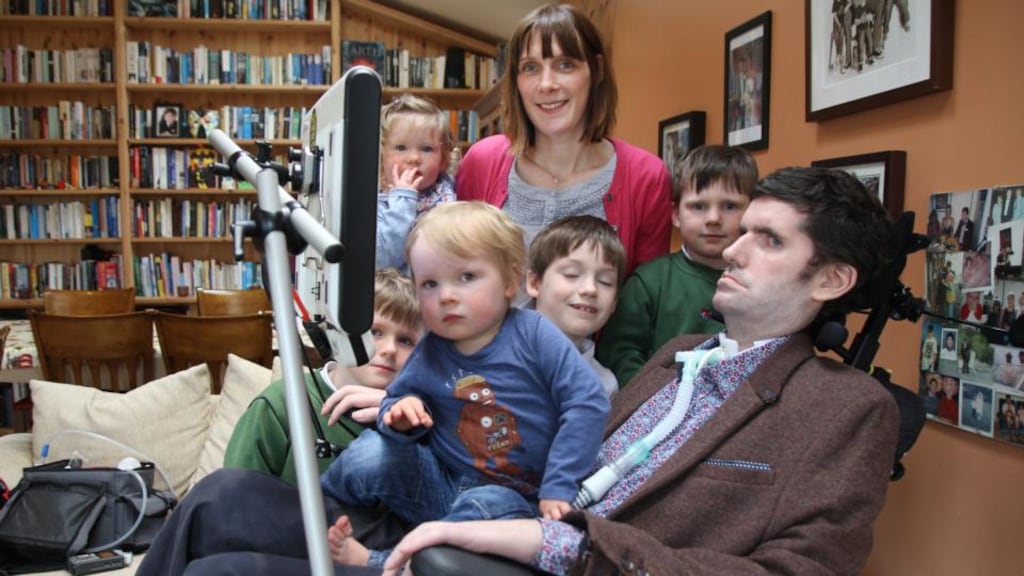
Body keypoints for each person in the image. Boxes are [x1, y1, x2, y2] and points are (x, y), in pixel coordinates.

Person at [375, 166, 902, 576]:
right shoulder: (678, 355)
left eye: (770, 240)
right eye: (743, 232)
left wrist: (564, 546)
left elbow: (799, 571)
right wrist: (417, 404)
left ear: (831, 280)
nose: (732, 250)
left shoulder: (845, 407)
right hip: (501, 511)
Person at [320, 201, 610, 568]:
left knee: (487, 505)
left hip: (511, 498)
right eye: (429, 284)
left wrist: (559, 486)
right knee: (371, 451)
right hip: (437, 481)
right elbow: (395, 401)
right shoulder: (430, 349)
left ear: (510, 281)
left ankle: (385, 562)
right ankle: (318, 511)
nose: (446, 296)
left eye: (466, 277)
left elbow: (588, 403)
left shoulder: (536, 335)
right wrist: (401, 414)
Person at [455, 3, 672, 280]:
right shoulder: (481, 162)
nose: (546, 84)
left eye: (565, 64)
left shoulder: (646, 176)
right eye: (530, 67)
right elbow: (454, 270)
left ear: (597, 70)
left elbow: (646, 298)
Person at [222, 268, 423, 484]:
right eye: (374, 332)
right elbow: (235, 496)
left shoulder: (420, 416)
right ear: (338, 332)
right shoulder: (279, 406)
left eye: (405, 341)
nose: (390, 349)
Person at [596, 145, 756, 387]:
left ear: (752, 211)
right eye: (698, 207)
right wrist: (656, 394)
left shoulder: (762, 281)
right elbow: (620, 353)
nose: (713, 219)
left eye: (729, 206)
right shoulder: (649, 281)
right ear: (675, 214)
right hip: (662, 401)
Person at [525, 214, 626, 398]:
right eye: (572, 274)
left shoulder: (603, 387)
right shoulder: (490, 347)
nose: (590, 289)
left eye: (605, 281)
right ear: (534, 283)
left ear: (615, 302)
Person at [376, 93, 458, 274]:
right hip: (400, 290)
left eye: (426, 149)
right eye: (401, 148)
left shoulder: (448, 192)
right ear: (382, 157)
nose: (414, 158)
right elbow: (384, 260)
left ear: (443, 159)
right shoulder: (379, 204)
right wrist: (403, 199)